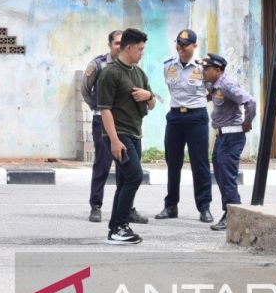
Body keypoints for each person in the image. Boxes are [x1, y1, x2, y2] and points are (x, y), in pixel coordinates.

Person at [82, 30, 148, 226]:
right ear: (113, 45)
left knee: (126, 176)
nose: (119, 46)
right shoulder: (103, 66)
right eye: (117, 43)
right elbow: (87, 91)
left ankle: (123, 216)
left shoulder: (136, 70)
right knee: (106, 166)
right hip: (109, 125)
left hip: (132, 130)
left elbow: (149, 100)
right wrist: (96, 109)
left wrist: (149, 97)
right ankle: (98, 207)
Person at [97, 27, 156, 245]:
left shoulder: (139, 73)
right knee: (134, 176)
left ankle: (116, 227)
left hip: (135, 133)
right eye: (139, 49)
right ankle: (119, 226)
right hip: (119, 134)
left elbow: (152, 103)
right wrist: (113, 140)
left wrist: (148, 95)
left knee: (124, 181)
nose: (142, 53)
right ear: (128, 47)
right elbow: (105, 109)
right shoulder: (110, 72)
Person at [156, 29, 214, 223]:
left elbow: (212, 91)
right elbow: (171, 89)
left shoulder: (202, 67)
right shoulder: (168, 65)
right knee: (173, 162)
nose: (180, 48)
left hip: (196, 116)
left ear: (195, 46)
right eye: (178, 44)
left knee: (200, 163)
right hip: (174, 117)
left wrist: (196, 102)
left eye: (185, 45)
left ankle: (204, 207)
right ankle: (170, 205)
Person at [204, 53, 256, 232]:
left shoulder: (227, 84)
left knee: (227, 178)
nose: (204, 71)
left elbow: (250, 101)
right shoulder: (215, 83)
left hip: (232, 136)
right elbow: (210, 90)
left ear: (217, 70)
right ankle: (232, 212)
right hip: (222, 137)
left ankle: (233, 216)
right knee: (220, 175)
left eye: (207, 69)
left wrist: (247, 122)